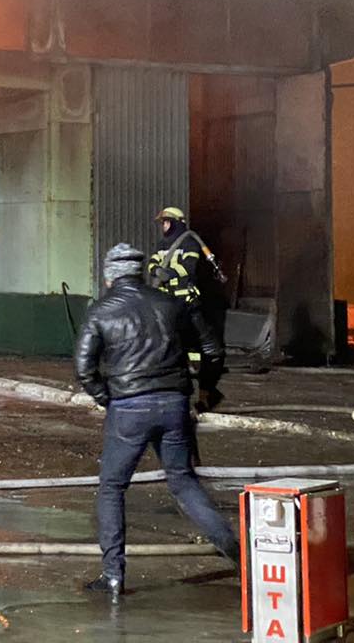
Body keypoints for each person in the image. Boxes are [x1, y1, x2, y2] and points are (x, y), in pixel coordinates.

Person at [74, 242, 238, 599]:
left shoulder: (100, 311)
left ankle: (113, 576)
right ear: (140, 273)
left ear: (109, 277)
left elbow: (84, 369)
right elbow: (212, 349)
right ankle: (236, 550)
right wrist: (206, 390)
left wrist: (107, 398)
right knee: (183, 482)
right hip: (174, 403)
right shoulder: (171, 305)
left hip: (128, 408)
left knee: (112, 488)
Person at [148, 207, 227, 360]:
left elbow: (189, 266)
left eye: (166, 222)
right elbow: (152, 262)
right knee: (168, 331)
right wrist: (156, 270)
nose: (163, 226)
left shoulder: (189, 242)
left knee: (196, 330)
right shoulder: (162, 244)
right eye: (163, 223)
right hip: (166, 297)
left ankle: (212, 357)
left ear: (176, 223)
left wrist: (168, 273)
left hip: (185, 295)